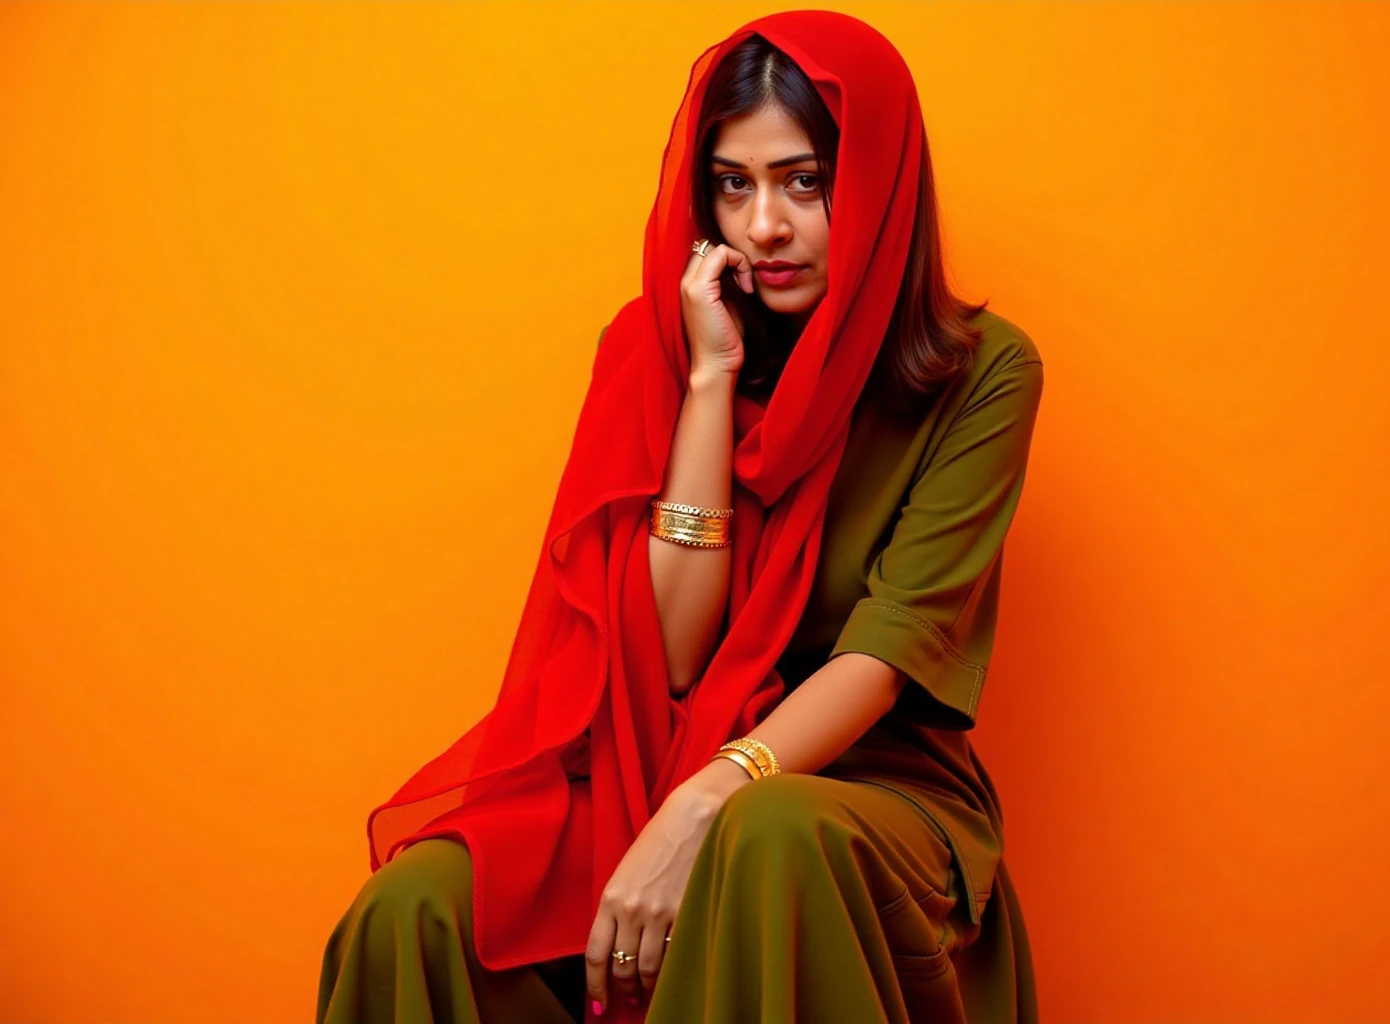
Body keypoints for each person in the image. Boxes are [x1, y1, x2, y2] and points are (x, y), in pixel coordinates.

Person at [316, 10, 1045, 1024]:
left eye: (804, 181)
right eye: (733, 185)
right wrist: (709, 381)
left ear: (878, 181)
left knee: (771, 830)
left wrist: (708, 796)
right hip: (644, 755)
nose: (765, 227)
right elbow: (670, 657)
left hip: (865, 790)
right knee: (417, 906)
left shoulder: (983, 373)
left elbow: (887, 655)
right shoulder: (654, 346)